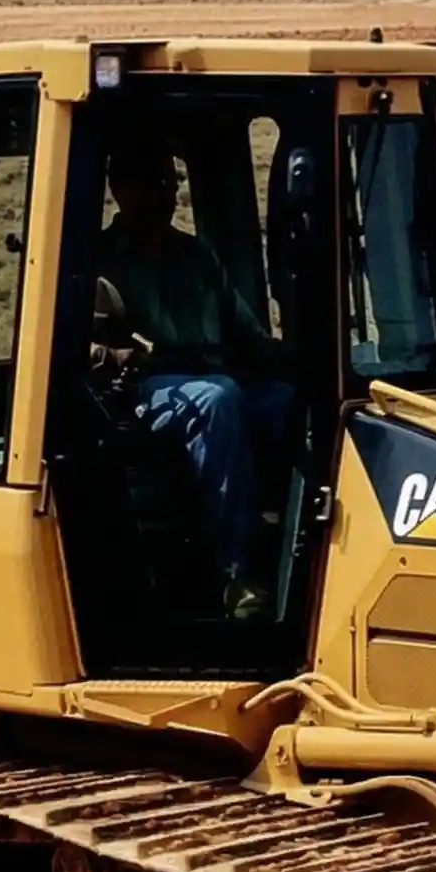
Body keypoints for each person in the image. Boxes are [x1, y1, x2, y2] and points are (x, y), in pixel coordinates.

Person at [93, 146, 296, 619]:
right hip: (143, 390)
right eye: (155, 184)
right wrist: (112, 353)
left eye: (172, 184)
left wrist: (304, 363)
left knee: (286, 402)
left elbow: (247, 335)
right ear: (120, 190)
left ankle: (298, 546)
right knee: (216, 401)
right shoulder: (96, 262)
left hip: (214, 377)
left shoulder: (196, 258)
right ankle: (240, 574)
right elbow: (60, 345)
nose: (167, 195)